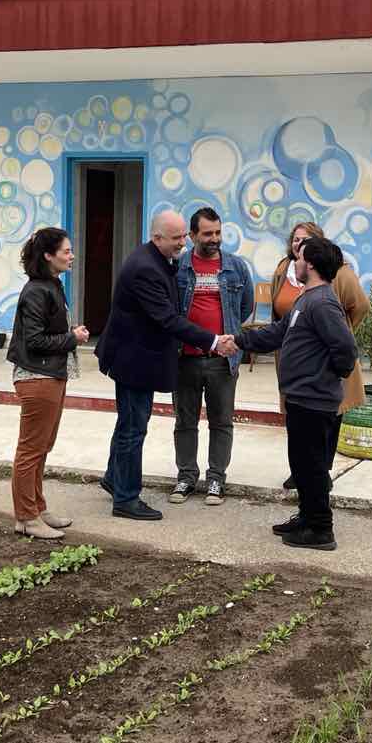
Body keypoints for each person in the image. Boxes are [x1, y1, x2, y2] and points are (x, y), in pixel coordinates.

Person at [95, 210, 228, 521]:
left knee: (128, 424)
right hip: (133, 361)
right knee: (133, 429)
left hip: (138, 357)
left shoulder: (159, 259)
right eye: (176, 238)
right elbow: (168, 319)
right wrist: (212, 340)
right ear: (157, 238)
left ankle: (115, 479)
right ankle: (126, 499)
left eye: (183, 236)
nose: (183, 243)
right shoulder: (145, 268)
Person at [235, 236, 358, 551]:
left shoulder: (323, 303)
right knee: (301, 464)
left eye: (300, 258)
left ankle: (321, 529)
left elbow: (345, 348)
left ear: (311, 264)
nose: (295, 263)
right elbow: (277, 333)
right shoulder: (307, 299)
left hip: (315, 399)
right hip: (301, 397)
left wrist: (328, 375)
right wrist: (238, 341)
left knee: (312, 466)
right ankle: (306, 517)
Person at [269, 221, 370, 490]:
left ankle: (319, 473)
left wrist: (338, 334)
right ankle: (301, 471)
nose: (298, 244)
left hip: (322, 361)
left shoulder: (337, 276)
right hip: (293, 354)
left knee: (325, 415)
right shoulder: (283, 269)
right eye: (295, 239)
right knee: (296, 415)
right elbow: (278, 313)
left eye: (304, 240)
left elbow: (360, 306)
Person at [6, 227, 90, 540]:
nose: (71, 256)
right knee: (30, 450)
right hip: (37, 377)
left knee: (42, 447)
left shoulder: (51, 285)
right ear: (48, 256)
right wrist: (72, 338)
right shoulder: (36, 291)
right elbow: (35, 340)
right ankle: (26, 518)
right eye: (66, 251)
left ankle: (37, 509)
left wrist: (70, 335)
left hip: (51, 375)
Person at [171, 207, 255, 507]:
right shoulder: (179, 267)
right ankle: (186, 477)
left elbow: (245, 307)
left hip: (222, 361)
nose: (215, 238)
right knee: (185, 421)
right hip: (185, 359)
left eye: (218, 232)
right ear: (193, 235)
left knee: (221, 422)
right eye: (207, 234)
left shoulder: (236, 267)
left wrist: (225, 338)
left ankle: (216, 478)